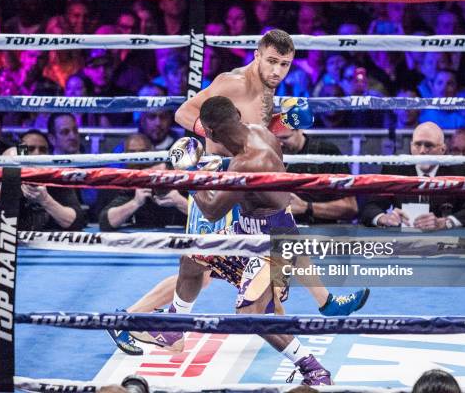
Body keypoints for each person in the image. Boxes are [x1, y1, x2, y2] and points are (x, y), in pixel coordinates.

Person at [109, 29, 367, 356]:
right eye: (271, 61)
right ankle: (129, 320)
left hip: (246, 183)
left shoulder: (269, 90)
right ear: (257, 55)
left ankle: (323, 304)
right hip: (219, 179)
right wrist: (224, 149)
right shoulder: (232, 83)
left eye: (285, 65)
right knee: (199, 266)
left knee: (283, 233)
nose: (277, 71)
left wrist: (283, 120)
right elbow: (185, 113)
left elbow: (251, 130)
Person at [133, 96, 332, 385]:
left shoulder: (247, 163)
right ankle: (174, 327)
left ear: (210, 132)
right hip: (247, 230)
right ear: (237, 115)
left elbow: (213, 211)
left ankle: (312, 368)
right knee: (192, 257)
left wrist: (191, 174)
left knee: (249, 313)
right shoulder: (260, 132)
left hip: (273, 241)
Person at [360, 122, 465, 229]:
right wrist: (384, 218)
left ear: (443, 150)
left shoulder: (460, 170)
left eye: (429, 145)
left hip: (447, 242)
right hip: (403, 242)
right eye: (417, 144)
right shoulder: (395, 169)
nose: (422, 151)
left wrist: (445, 222)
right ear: (411, 147)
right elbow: (370, 206)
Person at [0, 130, 85, 231]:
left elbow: (78, 222)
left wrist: (46, 200)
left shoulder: (56, 180)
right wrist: (1, 194)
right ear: (21, 154)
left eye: (42, 149)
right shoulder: (8, 177)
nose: (37, 154)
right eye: (30, 149)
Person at [98, 134, 187, 230]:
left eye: (143, 152)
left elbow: (204, 215)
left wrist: (179, 201)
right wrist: (135, 203)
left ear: (152, 152)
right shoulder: (126, 181)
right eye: (132, 153)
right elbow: (105, 222)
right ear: (124, 155)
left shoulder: (174, 174)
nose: (138, 159)